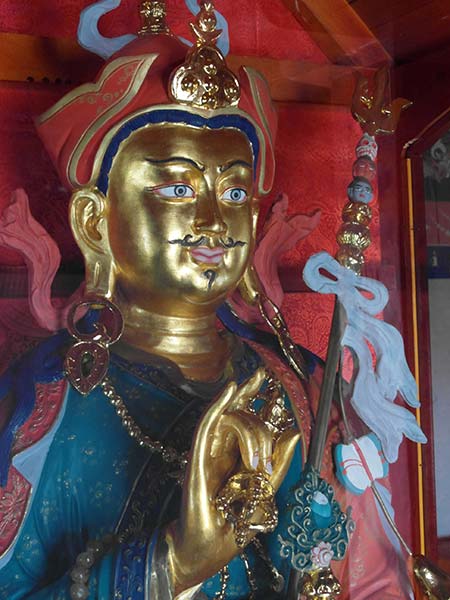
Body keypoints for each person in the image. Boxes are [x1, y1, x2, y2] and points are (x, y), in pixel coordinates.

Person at [0, 2, 413, 599]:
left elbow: (375, 578)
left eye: (236, 189)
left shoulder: (303, 387)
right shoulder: (44, 405)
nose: (214, 222)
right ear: (95, 222)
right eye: (176, 186)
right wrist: (172, 563)